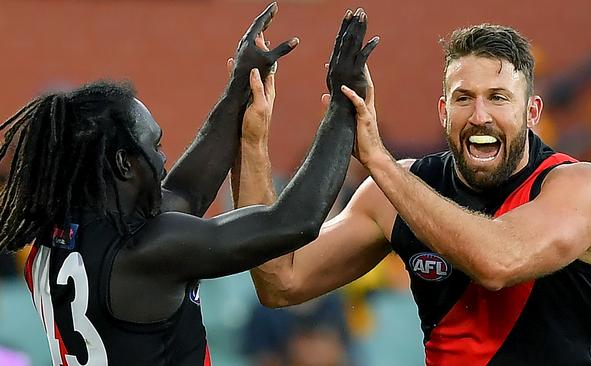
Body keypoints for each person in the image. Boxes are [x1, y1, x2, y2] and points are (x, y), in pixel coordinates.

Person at [0, 4, 378, 365]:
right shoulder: (147, 250)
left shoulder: (57, 240)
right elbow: (294, 222)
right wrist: (344, 105)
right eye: (155, 145)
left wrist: (239, 87)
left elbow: (186, 192)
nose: (164, 159)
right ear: (122, 165)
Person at [241, 24, 591, 365]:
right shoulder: (396, 190)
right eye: (463, 98)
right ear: (443, 111)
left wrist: (379, 161)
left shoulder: (584, 187)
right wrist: (251, 142)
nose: (480, 116)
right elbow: (280, 282)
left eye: (499, 98)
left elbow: (499, 262)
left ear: (532, 112)